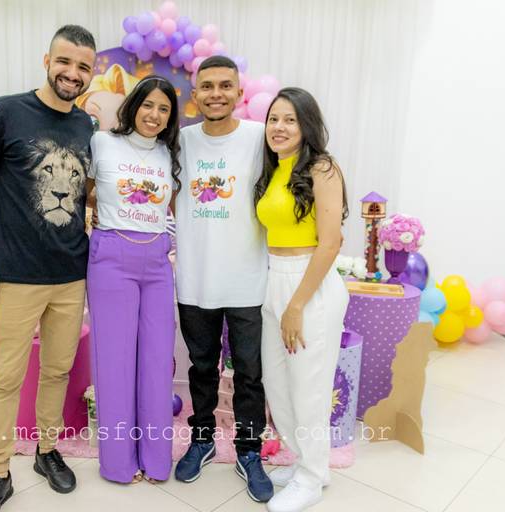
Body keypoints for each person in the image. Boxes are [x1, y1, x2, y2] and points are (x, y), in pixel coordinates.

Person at [0, 25, 96, 512]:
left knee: (57, 370)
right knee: (7, 378)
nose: (72, 73)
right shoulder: (5, 111)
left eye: (83, 66)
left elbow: (85, 194)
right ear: (46, 60)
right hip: (14, 275)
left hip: (71, 273)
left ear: (92, 73)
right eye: (65, 61)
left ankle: (46, 450)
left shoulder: (87, 127)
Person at [174, 56, 273, 504]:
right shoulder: (179, 141)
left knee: (250, 373)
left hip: (248, 280)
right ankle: (202, 440)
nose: (216, 93)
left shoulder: (259, 138)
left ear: (239, 92)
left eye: (225, 86)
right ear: (196, 93)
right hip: (195, 278)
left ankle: (249, 450)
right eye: (208, 86)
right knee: (201, 368)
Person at [255, 87, 349, 512]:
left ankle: (311, 479)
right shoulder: (275, 168)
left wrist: (296, 305)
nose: (279, 127)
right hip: (274, 278)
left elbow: (330, 243)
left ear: (306, 124)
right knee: (278, 384)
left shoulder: (322, 168)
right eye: (274, 119)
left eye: (290, 119)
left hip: (310, 283)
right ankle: (306, 462)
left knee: (309, 388)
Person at [85, 75, 181, 484]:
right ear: (133, 106)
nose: (154, 115)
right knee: (114, 363)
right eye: (148, 105)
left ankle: (157, 460)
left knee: (158, 363)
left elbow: (171, 207)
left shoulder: (169, 153)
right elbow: (86, 192)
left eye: (164, 109)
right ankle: (118, 464)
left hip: (157, 263)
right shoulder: (101, 142)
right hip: (111, 258)